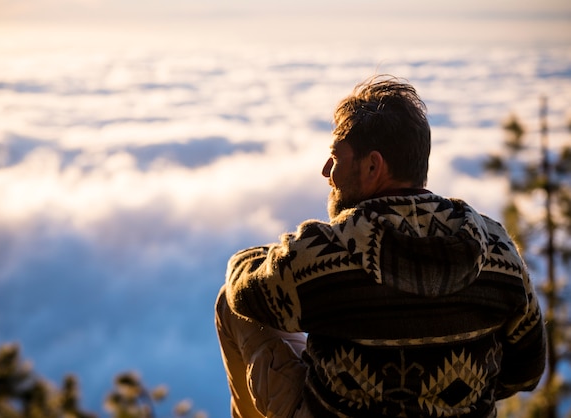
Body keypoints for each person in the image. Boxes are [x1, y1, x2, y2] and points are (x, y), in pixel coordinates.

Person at [214, 75, 546, 418]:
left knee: (230, 302)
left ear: (373, 166)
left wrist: (261, 256)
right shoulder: (497, 249)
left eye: (335, 157)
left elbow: (245, 291)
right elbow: (527, 370)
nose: (326, 170)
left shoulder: (325, 256)